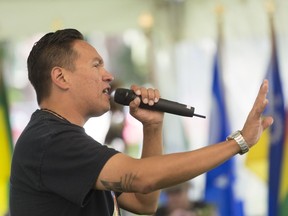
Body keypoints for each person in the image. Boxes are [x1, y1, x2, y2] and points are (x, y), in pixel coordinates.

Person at [9, 28, 273, 216]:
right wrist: (238, 141)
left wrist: (152, 127)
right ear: (61, 78)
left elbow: (144, 203)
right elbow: (142, 178)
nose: (108, 75)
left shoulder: (62, 138)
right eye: (96, 66)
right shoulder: (50, 141)